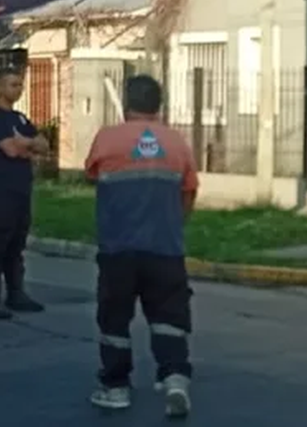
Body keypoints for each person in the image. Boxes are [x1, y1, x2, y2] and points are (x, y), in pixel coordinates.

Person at [84, 74, 198, 418]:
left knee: (115, 318)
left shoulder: (108, 139)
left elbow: (91, 173)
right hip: (165, 247)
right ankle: (175, 377)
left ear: (127, 103)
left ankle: (116, 387)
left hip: (119, 247)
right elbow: (189, 191)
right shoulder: (177, 142)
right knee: (169, 316)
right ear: (159, 104)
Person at [0, 66, 49, 319]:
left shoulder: (20, 119)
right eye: (12, 84)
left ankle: (16, 293)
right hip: (0, 191)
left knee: (17, 244)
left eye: (19, 85)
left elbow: (43, 145)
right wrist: (26, 147)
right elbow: (10, 149)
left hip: (21, 190)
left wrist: (26, 143)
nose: (17, 90)